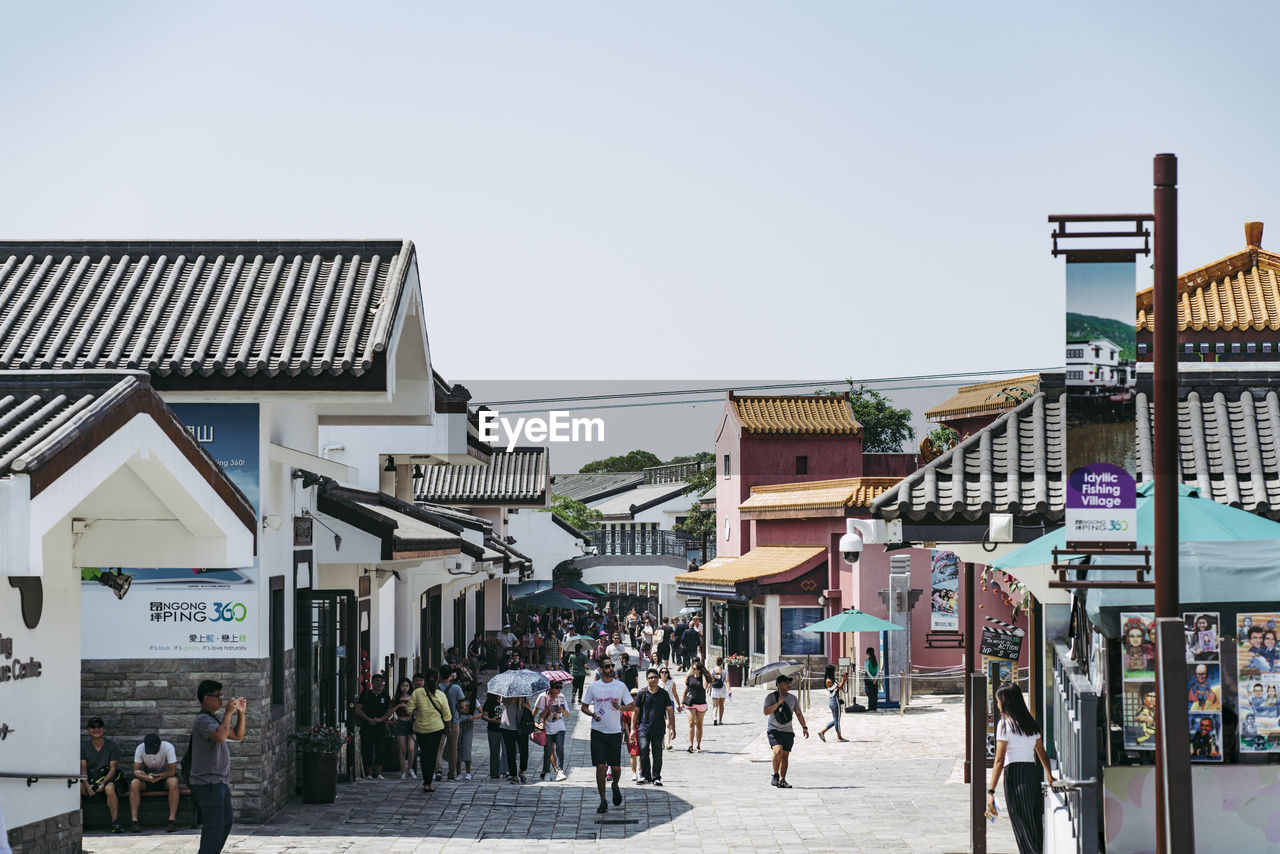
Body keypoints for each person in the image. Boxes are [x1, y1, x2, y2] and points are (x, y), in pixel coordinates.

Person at [986, 682, 1055, 854]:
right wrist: (1049, 775)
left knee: (1022, 825)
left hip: (1014, 776)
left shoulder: (1004, 724)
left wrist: (991, 791)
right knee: (1033, 823)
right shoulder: (1030, 723)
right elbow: (1042, 753)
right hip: (1031, 774)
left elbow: (999, 760)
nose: (997, 704)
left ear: (1005, 701)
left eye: (998, 701)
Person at [190, 680, 246, 854]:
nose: (221, 700)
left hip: (220, 781)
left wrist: (241, 714)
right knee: (214, 825)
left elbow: (237, 735)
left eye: (222, 696)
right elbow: (220, 737)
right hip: (207, 782)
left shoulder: (216, 719)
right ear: (206, 698)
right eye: (218, 696)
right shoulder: (202, 720)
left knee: (226, 822)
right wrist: (229, 713)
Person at [580, 658, 636, 813]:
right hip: (597, 731)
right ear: (601, 669)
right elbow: (584, 707)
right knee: (600, 767)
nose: (611, 668)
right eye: (607, 666)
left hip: (614, 732)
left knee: (616, 768)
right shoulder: (594, 687)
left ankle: (615, 784)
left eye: (612, 666)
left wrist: (620, 707)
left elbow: (632, 706)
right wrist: (592, 714)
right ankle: (603, 800)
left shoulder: (620, 686)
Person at [405, 668, 451, 793]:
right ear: (437, 680)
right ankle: (428, 783)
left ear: (425, 680)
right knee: (433, 755)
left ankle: (426, 781)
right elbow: (447, 715)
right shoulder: (441, 695)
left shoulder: (417, 693)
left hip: (421, 728)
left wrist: (418, 710)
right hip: (437, 729)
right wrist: (448, 728)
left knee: (424, 755)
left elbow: (408, 710)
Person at [127, 733, 180, 833]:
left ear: (160, 745)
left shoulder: (168, 747)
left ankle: (172, 820)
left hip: (164, 778)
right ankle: (134, 821)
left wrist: (159, 776)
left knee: (174, 782)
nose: (152, 753)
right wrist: (147, 777)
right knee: (134, 783)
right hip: (147, 778)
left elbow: (172, 771)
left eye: (155, 750)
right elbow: (136, 771)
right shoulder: (140, 748)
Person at [634, 668, 677, 785]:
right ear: (647, 680)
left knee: (657, 753)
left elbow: (670, 711)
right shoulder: (642, 693)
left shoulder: (663, 694)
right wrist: (633, 729)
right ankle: (645, 775)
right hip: (643, 727)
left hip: (658, 728)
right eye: (651, 677)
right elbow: (636, 711)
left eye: (655, 677)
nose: (654, 679)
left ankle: (656, 777)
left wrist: (673, 728)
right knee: (643, 749)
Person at [763, 674, 808, 788]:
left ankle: (783, 780)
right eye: (787, 683)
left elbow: (798, 713)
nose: (789, 685)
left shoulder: (793, 698)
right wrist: (778, 703)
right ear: (780, 684)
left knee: (785, 755)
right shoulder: (771, 697)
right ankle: (775, 775)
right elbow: (766, 711)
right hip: (774, 729)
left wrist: (804, 727)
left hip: (788, 730)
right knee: (778, 751)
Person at [80, 716, 123, 833]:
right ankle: (79, 823)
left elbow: (113, 768)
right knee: (77, 788)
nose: (96, 729)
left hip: (106, 779)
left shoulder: (112, 746)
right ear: (88, 730)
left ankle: (115, 821)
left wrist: (103, 783)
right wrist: (87, 785)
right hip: (89, 780)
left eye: (99, 726)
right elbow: (82, 768)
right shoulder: (83, 747)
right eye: (93, 727)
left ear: (103, 729)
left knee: (110, 788)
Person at [354, 674, 392, 779]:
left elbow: (389, 712)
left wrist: (379, 720)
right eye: (377, 681)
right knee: (367, 749)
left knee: (381, 749)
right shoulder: (366, 695)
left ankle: (378, 773)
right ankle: (369, 774)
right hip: (367, 726)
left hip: (380, 727)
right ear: (372, 683)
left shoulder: (386, 697)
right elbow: (357, 709)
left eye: (381, 681)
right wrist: (368, 719)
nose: (379, 683)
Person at [536, 682, 570, 781]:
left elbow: (567, 715)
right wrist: (548, 707)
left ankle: (560, 770)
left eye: (560, 687)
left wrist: (562, 710)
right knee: (548, 751)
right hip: (547, 728)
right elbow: (541, 715)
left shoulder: (562, 697)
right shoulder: (544, 698)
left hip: (560, 727)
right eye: (556, 687)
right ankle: (546, 772)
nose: (559, 689)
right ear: (550, 688)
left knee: (560, 748)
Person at [438, 667, 465, 781]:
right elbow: (463, 705)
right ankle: (451, 774)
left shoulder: (436, 688)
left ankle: (438, 770)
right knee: (453, 749)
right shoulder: (456, 688)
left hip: (438, 721)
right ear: (450, 676)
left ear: (439, 675)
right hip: (453, 721)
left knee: (438, 748)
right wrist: (456, 712)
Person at [499, 694, 532, 783]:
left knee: (524, 750)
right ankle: (514, 775)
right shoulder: (505, 694)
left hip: (522, 726)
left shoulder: (524, 694)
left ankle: (522, 770)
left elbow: (529, 707)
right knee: (510, 751)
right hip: (508, 726)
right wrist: (516, 699)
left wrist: (522, 702)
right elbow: (506, 702)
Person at [391, 677, 417, 780]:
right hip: (400, 723)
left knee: (411, 748)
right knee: (402, 749)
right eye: (402, 686)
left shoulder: (413, 697)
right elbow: (389, 711)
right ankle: (403, 771)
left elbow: (418, 710)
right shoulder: (396, 698)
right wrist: (398, 706)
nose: (405, 688)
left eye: (407, 686)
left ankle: (410, 768)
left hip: (411, 723)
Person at [682, 658, 710, 752]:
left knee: (699, 724)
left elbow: (705, 687)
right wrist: (682, 701)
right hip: (690, 703)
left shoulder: (703, 678)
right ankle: (690, 745)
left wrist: (703, 677)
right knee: (691, 723)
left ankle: (698, 745)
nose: (692, 669)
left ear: (699, 670)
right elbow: (686, 689)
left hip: (701, 703)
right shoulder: (690, 677)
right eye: (692, 668)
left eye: (694, 668)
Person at [818, 664, 850, 742]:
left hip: (833, 700)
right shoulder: (829, 680)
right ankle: (839, 736)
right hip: (834, 700)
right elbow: (839, 687)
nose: (835, 672)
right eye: (834, 670)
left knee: (836, 719)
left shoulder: (830, 679)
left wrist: (844, 679)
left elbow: (838, 687)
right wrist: (844, 679)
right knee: (837, 720)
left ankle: (823, 732)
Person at [481, 690, 507, 779]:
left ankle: (505, 771)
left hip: (506, 729)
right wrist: (491, 720)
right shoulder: (490, 701)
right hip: (493, 729)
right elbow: (483, 715)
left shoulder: (507, 700)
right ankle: (494, 772)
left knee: (506, 751)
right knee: (494, 752)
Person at [657, 666, 682, 749]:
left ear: (668, 674)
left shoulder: (671, 682)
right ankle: (662, 743)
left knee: (668, 724)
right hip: (659, 704)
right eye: (662, 672)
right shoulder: (657, 682)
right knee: (660, 724)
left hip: (669, 703)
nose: (664, 674)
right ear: (660, 674)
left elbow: (675, 694)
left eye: (666, 672)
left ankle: (668, 743)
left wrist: (679, 704)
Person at [457, 683, 477, 781]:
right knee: (458, 748)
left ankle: (468, 772)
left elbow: (483, 712)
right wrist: (461, 711)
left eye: (469, 693)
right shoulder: (460, 700)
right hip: (459, 723)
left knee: (467, 747)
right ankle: (458, 772)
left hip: (468, 725)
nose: (467, 694)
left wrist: (473, 717)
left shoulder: (474, 701)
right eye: (466, 692)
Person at [710, 656, 731, 725]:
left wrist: (709, 689)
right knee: (721, 705)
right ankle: (720, 720)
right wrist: (729, 690)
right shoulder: (725, 671)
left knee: (715, 706)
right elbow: (727, 681)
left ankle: (715, 717)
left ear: (716, 662)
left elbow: (710, 681)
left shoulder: (712, 671)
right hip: (722, 689)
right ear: (722, 662)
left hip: (715, 689)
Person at [864, 648, 880, 712]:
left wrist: (872, 678)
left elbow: (867, 671)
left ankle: (871, 707)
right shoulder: (876, 661)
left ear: (868, 654)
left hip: (868, 680)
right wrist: (875, 679)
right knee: (875, 694)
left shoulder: (867, 661)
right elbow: (878, 671)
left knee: (870, 694)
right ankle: (874, 707)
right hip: (875, 681)